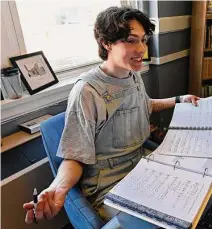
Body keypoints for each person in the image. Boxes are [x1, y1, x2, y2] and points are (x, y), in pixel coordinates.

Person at [23, 6, 200, 227]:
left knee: (196, 199)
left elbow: (145, 105)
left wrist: (179, 99)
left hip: (143, 165)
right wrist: (57, 189)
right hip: (109, 184)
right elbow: (75, 156)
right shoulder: (87, 91)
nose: (141, 49)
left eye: (143, 40)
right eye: (131, 40)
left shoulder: (132, 75)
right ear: (107, 43)